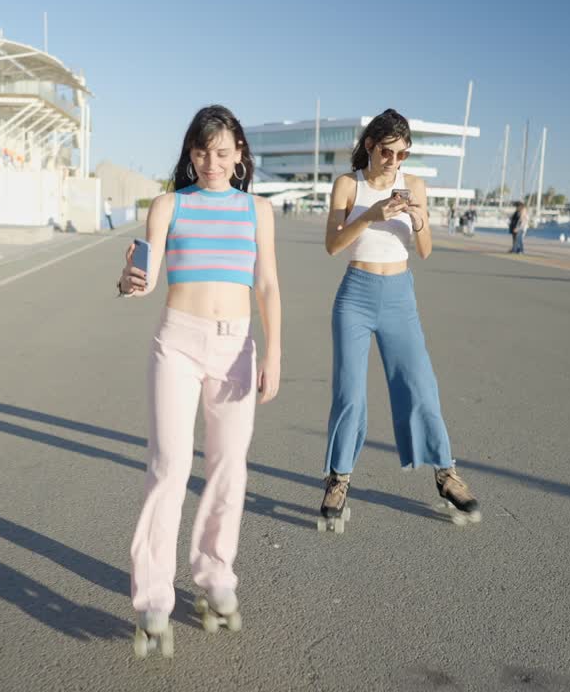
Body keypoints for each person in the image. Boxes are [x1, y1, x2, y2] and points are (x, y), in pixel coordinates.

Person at [116, 105, 281, 658]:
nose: (213, 162)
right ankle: (154, 597)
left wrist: (272, 354)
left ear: (239, 157)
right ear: (191, 155)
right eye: (203, 152)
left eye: (224, 152)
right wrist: (128, 280)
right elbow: (147, 277)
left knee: (229, 467)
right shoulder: (169, 205)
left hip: (237, 346)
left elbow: (268, 287)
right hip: (178, 342)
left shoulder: (259, 211)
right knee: (169, 466)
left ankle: (215, 576)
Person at [320, 108, 480, 531]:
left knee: (420, 385)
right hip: (355, 294)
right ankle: (339, 478)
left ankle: (446, 473)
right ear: (370, 146)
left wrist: (419, 218)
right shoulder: (348, 184)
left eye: (403, 154)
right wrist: (372, 215)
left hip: (399, 296)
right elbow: (333, 246)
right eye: (388, 152)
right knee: (350, 393)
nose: (394, 162)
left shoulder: (414, 186)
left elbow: (424, 250)